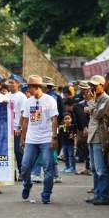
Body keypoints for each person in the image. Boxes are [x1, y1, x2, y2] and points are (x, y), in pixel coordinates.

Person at [20, 75, 58, 204]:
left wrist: (54, 137)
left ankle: (46, 194)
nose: (27, 89)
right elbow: (25, 121)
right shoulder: (28, 101)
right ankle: (27, 184)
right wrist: (22, 138)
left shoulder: (50, 100)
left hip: (46, 139)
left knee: (48, 168)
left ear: (36, 87)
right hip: (31, 139)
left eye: (29, 87)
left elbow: (54, 119)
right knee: (25, 167)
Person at [85, 75, 109, 205]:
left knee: (101, 169)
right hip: (92, 137)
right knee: (95, 169)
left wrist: (90, 103)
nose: (93, 88)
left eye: (95, 85)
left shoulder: (106, 99)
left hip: (100, 138)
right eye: (92, 86)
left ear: (102, 85)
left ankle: (104, 196)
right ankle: (97, 194)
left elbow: (97, 114)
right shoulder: (97, 99)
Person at [7, 74, 27, 179]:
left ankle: (22, 172)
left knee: (18, 151)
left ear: (17, 84)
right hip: (7, 129)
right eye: (9, 82)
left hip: (16, 129)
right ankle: (11, 173)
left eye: (12, 82)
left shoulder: (21, 96)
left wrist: (19, 127)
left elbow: (23, 114)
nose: (10, 84)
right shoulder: (6, 96)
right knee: (9, 152)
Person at [63, 98, 90, 174]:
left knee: (84, 148)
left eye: (66, 106)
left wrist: (85, 127)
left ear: (68, 105)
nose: (65, 108)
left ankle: (87, 168)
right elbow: (76, 122)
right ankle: (87, 167)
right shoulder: (74, 110)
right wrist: (74, 132)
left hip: (83, 130)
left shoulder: (76, 107)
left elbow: (82, 116)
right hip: (80, 130)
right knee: (83, 147)